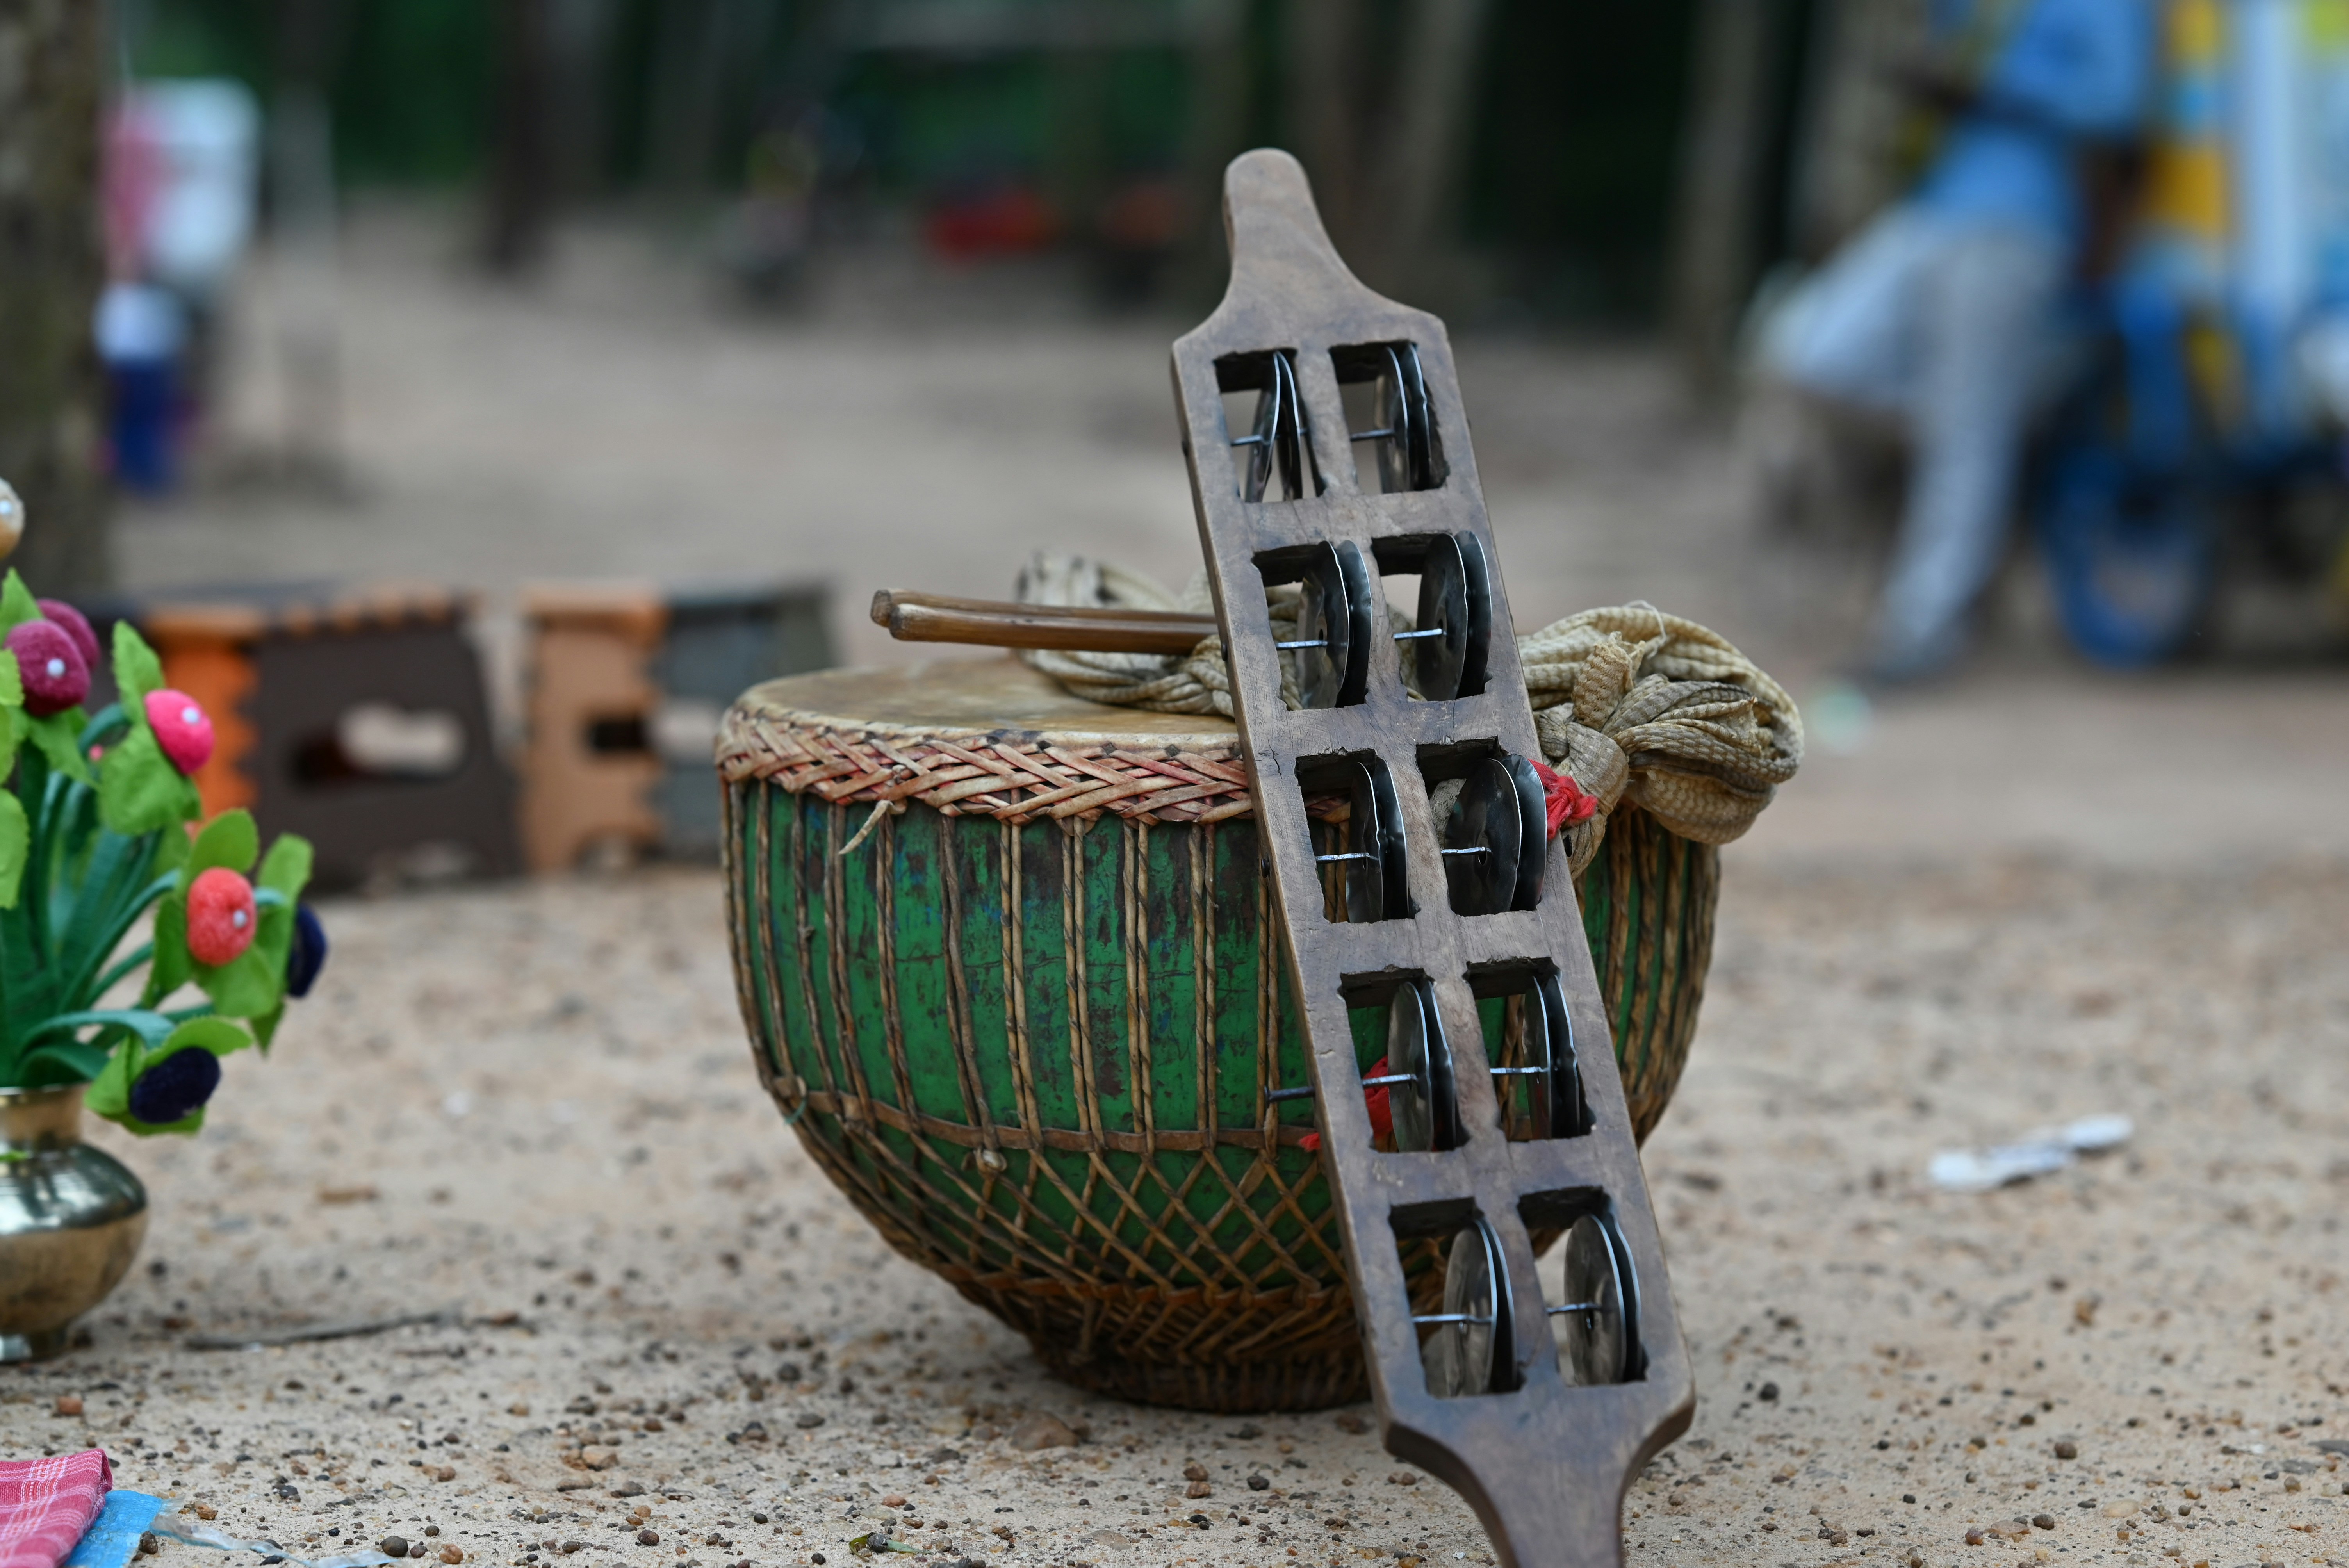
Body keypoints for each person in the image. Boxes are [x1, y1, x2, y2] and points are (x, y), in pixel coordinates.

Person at [1757, 0, 2160, 682]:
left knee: (1966, 432)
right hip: (1935, 208)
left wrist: (1997, 90)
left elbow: (2118, 105)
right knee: (1810, 353)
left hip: (2023, 224)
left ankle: (1920, 633)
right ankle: (2001, 431)